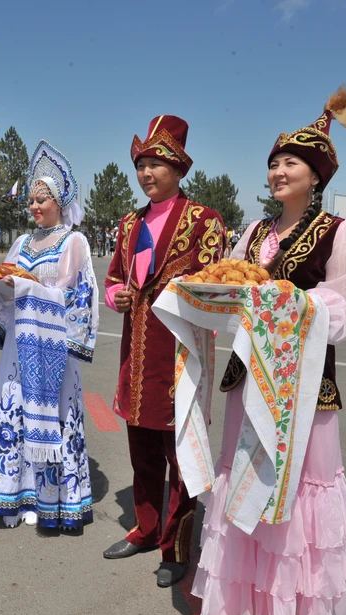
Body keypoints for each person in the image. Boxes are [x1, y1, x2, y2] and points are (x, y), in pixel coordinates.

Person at [191, 86, 346, 615]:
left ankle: (294, 607)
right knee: (245, 477)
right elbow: (229, 291)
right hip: (249, 376)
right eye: (272, 163)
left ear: (317, 175)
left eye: (290, 162)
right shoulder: (251, 234)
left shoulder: (342, 232)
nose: (278, 171)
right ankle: (249, 602)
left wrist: (289, 302)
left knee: (294, 485)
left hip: (303, 383)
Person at [102, 115, 226, 588]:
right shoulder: (128, 224)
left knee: (182, 454)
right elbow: (115, 279)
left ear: (177, 169)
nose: (146, 174)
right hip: (135, 354)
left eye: (156, 164)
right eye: (141, 166)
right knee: (142, 451)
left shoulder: (204, 221)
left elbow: (215, 288)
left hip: (178, 354)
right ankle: (146, 527)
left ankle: (175, 546)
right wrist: (117, 296)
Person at [0, 140, 97, 529]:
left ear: (60, 202)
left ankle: (52, 498)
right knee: (15, 409)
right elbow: (5, 285)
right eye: (31, 200)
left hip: (54, 346)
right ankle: (15, 493)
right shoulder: (22, 243)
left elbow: (81, 295)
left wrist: (30, 290)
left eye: (43, 200)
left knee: (53, 414)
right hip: (19, 345)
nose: (36, 207)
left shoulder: (74, 241)